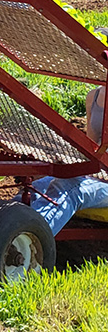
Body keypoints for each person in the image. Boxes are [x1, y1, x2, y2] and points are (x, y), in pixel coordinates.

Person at [28, 85, 108, 234]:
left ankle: (27, 236)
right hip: (97, 174)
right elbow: (91, 148)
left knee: (71, 188)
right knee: (38, 187)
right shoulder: (94, 96)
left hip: (104, 179)